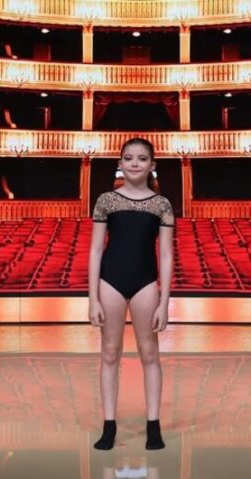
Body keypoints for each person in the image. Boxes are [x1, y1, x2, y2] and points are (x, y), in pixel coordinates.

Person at [88, 137, 174, 451]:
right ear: (120, 163)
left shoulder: (161, 205)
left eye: (141, 158)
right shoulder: (106, 201)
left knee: (149, 354)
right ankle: (109, 426)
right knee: (109, 353)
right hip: (110, 281)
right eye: (128, 158)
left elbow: (166, 255)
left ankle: (153, 426)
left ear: (152, 165)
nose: (134, 163)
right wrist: (92, 298)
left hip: (146, 283)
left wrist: (164, 302)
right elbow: (96, 251)